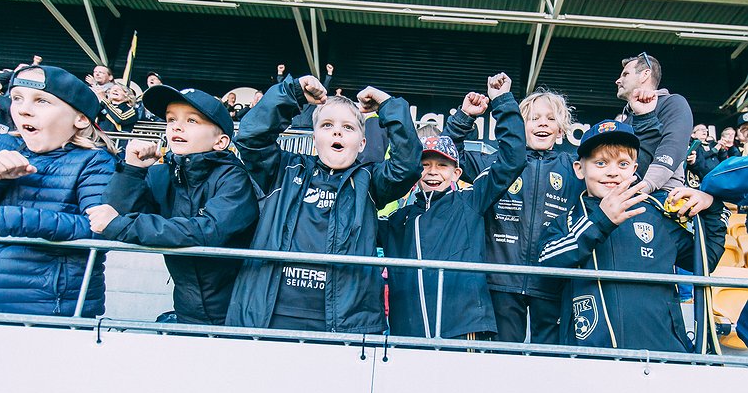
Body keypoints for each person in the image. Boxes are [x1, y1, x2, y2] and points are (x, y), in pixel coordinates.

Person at [225, 75, 422, 333]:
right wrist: (293, 92)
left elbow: (407, 165)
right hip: (269, 317)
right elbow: (251, 137)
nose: (337, 131)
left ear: (362, 143)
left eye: (348, 127)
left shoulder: (370, 181)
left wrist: (388, 105)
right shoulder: (284, 169)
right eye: (327, 125)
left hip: (343, 324)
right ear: (314, 136)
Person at [537, 119, 726, 352]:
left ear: (634, 170)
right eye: (600, 163)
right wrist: (601, 221)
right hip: (592, 358)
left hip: (663, 355)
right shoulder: (566, 220)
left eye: (623, 164)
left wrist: (712, 208)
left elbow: (707, 260)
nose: (612, 172)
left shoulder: (656, 215)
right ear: (579, 168)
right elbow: (546, 263)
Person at [86, 85, 259, 325]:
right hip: (187, 308)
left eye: (192, 120)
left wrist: (122, 225)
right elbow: (115, 213)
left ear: (220, 142)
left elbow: (207, 231)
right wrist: (132, 170)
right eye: (171, 119)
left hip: (236, 312)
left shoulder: (234, 178)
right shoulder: (164, 173)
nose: (176, 127)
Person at [381, 75, 526, 340]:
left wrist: (503, 101)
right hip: (407, 334)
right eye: (425, 165)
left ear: (456, 173)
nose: (432, 172)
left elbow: (512, 161)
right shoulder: (399, 219)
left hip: (462, 331)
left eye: (442, 165)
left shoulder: (471, 202)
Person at [444, 88, 583, 344]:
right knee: (503, 358)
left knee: (550, 360)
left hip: (553, 282)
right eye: (534, 118)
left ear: (561, 131)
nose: (542, 123)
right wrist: (465, 116)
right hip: (501, 279)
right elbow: (449, 153)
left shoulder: (574, 168)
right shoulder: (496, 163)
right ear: (520, 128)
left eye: (550, 119)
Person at [0, 65, 118, 316]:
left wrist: (14, 219)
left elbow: (102, 228)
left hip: (49, 306)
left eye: (41, 101)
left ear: (80, 118)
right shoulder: (1, 146)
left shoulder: (95, 161)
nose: (24, 109)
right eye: (17, 98)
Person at [615, 52, 692, 193]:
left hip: (662, 195)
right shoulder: (626, 118)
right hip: (625, 193)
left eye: (625, 74)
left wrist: (636, 191)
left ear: (645, 74)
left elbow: (671, 149)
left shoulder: (673, 103)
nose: (618, 81)